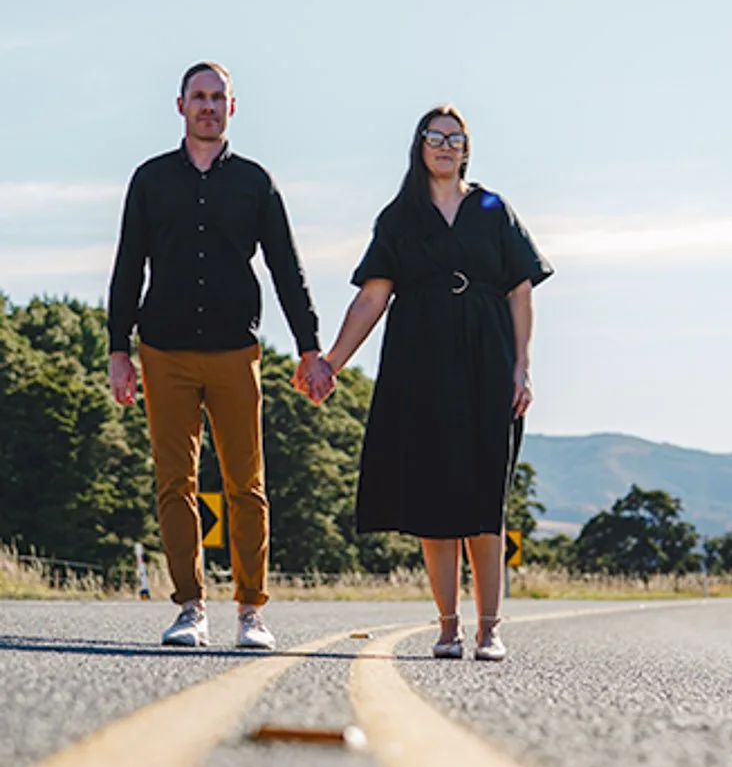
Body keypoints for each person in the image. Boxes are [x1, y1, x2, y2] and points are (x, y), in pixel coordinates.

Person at [313, 105, 550, 661]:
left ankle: (490, 628)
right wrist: (332, 362)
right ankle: (449, 628)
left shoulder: (493, 210)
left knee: (484, 496)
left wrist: (523, 366)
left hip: (489, 359)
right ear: (419, 146)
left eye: (456, 138)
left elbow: (521, 290)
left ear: (467, 149)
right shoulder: (399, 218)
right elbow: (372, 297)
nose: (446, 146)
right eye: (435, 137)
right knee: (433, 498)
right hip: (418, 363)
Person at [108, 62, 325, 651]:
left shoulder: (256, 183)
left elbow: (287, 268)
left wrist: (310, 349)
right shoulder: (150, 180)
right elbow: (128, 266)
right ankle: (189, 607)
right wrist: (117, 351)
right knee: (174, 483)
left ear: (234, 107)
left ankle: (252, 611)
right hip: (164, 352)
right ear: (179, 106)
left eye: (217, 97)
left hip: (236, 351)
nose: (208, 106)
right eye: (198, 97)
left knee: (245, 485)